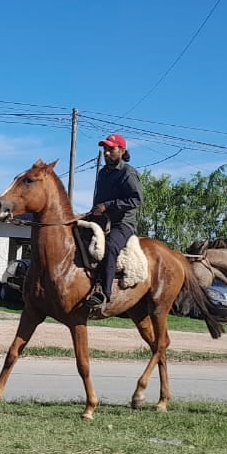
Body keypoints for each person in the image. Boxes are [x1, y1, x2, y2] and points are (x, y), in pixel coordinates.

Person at [85, 133, 143, 317]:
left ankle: (104, 293)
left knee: (110, 247)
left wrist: (107, 206)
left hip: (122, 223)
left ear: (122, 150)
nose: (107, 152)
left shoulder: (128, 172)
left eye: (111, 149)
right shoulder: (103, 173)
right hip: (101, 221)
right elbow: (99, 202)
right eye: (105, 149)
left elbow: (136, 199)